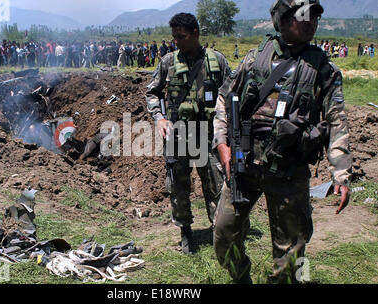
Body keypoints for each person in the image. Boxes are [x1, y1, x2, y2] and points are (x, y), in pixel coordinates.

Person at [213, 0, 352, 284]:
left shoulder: (325, 70)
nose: (312, 22)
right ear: (284, 20)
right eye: (304, 17)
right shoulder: (254, 59)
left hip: (289, 170)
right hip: (243, 166)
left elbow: (337, 121)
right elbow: (224, 100)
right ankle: (241, 278)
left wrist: (340, 172)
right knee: (224, 236)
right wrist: (222, 144)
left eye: (316, 17)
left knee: (291, 253)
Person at [146, 13, 231, 254]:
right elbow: (151, 92)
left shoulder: (218, 61)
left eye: (181, 37)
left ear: (195, 34)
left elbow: (232, 94)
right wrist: (159, 118)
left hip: (209, 134)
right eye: (174, 38)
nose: (176, 42)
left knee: (216, 183)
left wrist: (227, 130)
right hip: (179, 134)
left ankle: (219, 231)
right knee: (178, 185)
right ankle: (185, 232)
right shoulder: (168, 62)